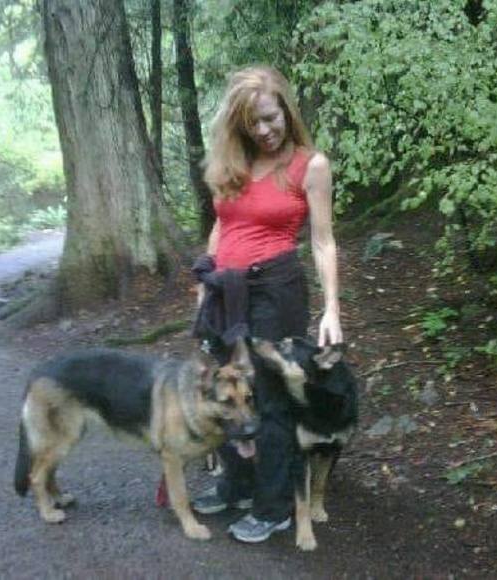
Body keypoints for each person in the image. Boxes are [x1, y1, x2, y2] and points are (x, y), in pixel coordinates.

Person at [192, 66, 343, 544]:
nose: (263, 130)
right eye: (252, 122)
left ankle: (274, 506)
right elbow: (223, 224)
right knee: (228, 387)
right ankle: (236, 484)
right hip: (226, 291)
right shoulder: (233, 162)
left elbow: (322, 241)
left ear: (287, 111)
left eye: (270, 118)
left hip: (275, 290)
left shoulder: (309, 165)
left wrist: (332, 308)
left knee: (271, 396)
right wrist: (206, 280)